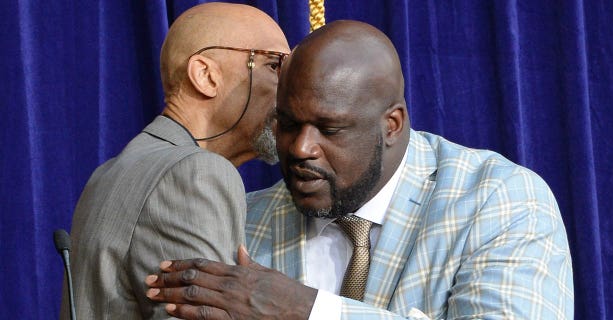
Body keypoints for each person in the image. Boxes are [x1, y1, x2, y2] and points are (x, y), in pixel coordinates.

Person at [145, 20, 574, 319]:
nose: (300, 148)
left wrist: (306, 311)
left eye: (329, 129)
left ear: (392, 124)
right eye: (288, 124)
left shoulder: (499, 201)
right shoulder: (241, 217)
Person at [60, 3, 290, 319]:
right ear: (206, 75)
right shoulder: (194, 173)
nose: (290, 88)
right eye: (275, 66)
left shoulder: (114, 169)